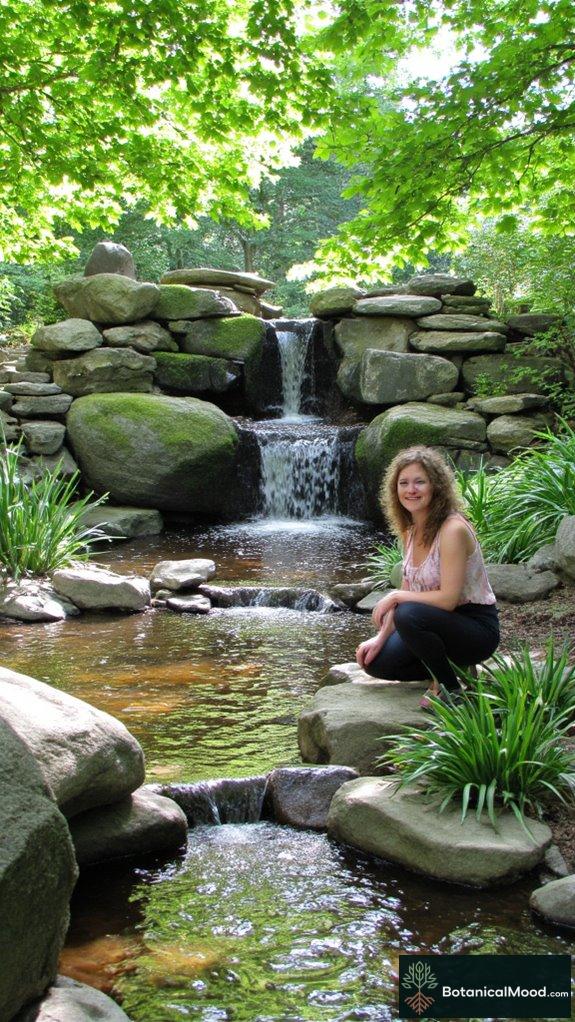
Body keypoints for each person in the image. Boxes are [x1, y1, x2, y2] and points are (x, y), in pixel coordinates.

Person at [355, 446, 499, 705]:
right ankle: (452, 667)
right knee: (375, 663)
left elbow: (448, 600)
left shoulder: (452, 530)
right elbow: (410, 588)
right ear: (395, 490)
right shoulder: (411, 531)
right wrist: (381, 637)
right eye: (404, 483)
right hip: (433, 624)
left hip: (474, 628)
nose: (411, 490)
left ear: (436, 486)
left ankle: (450, 689)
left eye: (420, 482)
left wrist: (395, 596)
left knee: (408, 614)